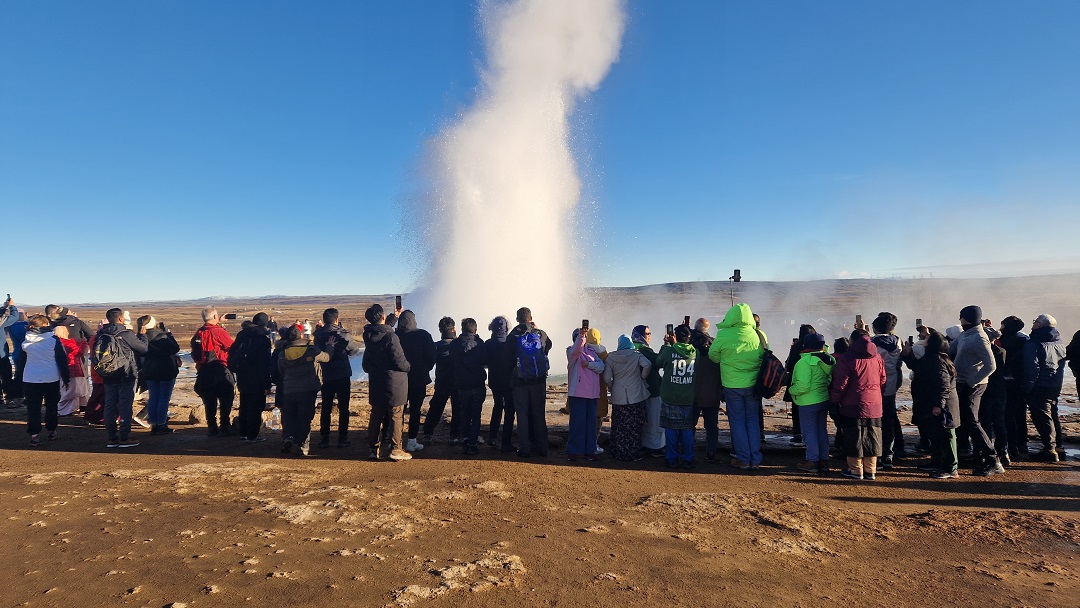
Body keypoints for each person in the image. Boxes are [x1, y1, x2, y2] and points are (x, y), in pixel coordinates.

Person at [708, 303, 765, 470]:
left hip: (732, 385)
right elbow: (763, 355)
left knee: (737, 421)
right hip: (754, 385)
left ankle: (743, 458)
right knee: (752, 421)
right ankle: (755, 458)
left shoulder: (724, 334)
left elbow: (713, 356)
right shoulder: (758, 334)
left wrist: (726, 360)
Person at [949, 305, 1001, 476]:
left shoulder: (979, 337)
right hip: (964, 383)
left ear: (967, 318)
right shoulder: (966, 334)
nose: (959, 319)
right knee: (968, 421)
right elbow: (950, 348)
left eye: (961, 316)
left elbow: (991, 365)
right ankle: (980, 456)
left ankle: (994, 461)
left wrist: (972, 382)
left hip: (973, 385)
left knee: (972, 421)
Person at [830, 329, 886, 480]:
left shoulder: (847, 358)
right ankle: (871, 470)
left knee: (853, 437)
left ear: (852, 341)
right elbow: (883, 380)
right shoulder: (877, 357)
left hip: (852, 404)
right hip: (874, 404)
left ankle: (856, 470)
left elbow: (840, 384)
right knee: (872, 436)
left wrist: (834, 401)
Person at [907, 329, 961, 478]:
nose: (924, 339)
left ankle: (951, 468)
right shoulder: (932, 358)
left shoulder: (938, 361)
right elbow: (919, 368)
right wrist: (907, 356)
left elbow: (943, 385)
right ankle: (937, 462)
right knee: (936, 436)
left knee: (947, 436)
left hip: (943, 407)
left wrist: (939, 404)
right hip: (933, 403)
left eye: (927, 338)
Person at [362, 304, 412, 461]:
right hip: (393, 382)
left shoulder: (368, 335)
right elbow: (399, 361)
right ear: (382, 317)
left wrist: (395, 316)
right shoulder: (392, 337)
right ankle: (396, 449)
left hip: (376, 380)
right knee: (396, 415)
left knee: (376, 414)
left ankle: (373, 449)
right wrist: (408, 367)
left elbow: (381, 329)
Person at [277, 325, 334, 456]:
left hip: (289, 389)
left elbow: (281, 371)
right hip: (307, 389)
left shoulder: (282, 353)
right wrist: (330, 346)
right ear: (301, 336)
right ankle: (303, 445)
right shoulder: (311, 351)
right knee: (305, 417)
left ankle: (287, 438)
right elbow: (327, 358)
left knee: (288, 416)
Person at [96, 308, 149, 448]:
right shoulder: (126, 334)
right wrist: (142, 336)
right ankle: (124, 437)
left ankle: (112, 438)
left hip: (108, 375)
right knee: (125, 405)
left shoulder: (101, 334)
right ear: (120, 319)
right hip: (126, 374)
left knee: (109, 406)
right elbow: (143, 349)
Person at [504, 307, 552, 458]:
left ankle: (525, 448)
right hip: (538, 381)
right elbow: (548, 346)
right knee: (538, 413)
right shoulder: (540, 334)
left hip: (520, 382)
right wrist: (536, 330)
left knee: (522, 415)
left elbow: (508, 359)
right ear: (531, 318)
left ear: (517, 319)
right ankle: (542, 447)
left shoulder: (513, 336)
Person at [313, 308, 361, 449]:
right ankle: (342, 438)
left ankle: (324, 438)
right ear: (336, 319)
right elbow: (354, 350)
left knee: (326, 407)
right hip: (342, 374)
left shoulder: (318, 335)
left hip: (326, 375)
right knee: (343, 407)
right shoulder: (343, 334)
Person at [1022, 314, 1067, 462]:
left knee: (1042, 417)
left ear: (1040, 325)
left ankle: (1049, 450)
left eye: (1035, 322)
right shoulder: (1059, 342)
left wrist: (1027, 387)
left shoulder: (1033, 343)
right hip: (1055, 384)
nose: (1033, 324)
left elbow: (1031, 368)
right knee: (1053, 414)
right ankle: (1059, 447)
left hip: (1039, 385)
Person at [788, 332, 835, 474]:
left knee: (809, 432)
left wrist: (791, 390)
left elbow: (802, 386)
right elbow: (828, 380)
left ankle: (812, 461)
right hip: (822, 398)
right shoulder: (828, 360)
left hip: (808, 401)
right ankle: (823, 460)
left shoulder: (805, 362)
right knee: (821, 430)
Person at [21, 315, 70, 446]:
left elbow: (21, 361)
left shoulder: (26, 340)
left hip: (30, 378)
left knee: (33, 408)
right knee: (52, 406)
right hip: (51, 377)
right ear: (45, 325)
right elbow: (62, 360)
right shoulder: (53, 340)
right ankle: (51, 430)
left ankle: (34, 434)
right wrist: (66, 378)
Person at [602, 334, 652, 462]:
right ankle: (634, 453)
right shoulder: (636, 355)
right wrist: (642, 377)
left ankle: (618, 452)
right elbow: (647, 365)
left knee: (620, 426)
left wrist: (612, 386)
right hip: (636, 394)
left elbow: (607, 377)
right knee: (634, 426)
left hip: (619, 396)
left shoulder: (611, 358)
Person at [656, 324, 697, 469]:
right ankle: (688, 458)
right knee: (686, 429)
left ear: (675, 336)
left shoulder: (669, 351)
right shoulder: (695, 352)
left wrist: (666, 344)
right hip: (688, 396)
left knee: (671, 428)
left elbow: (658, 362)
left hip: (670, 396)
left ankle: (671, 458)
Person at [191, 306, 236, 436]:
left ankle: (212, 427)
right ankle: (224, 425)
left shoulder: (199, 332)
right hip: (220, 369)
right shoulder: (218, 331)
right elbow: (231, 346)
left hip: (204, 371)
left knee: (209, 400)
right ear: (215, 317)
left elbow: (195, 354)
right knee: (226, 398)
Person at [229, 313, 273, 443]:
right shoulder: (262, 340)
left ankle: (243, 433)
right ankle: (252, 435)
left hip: (242, 375)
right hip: (256, 378)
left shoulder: (242, 335)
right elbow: (263, 364)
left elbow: (232, 352)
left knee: (244, 404)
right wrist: (267, 384)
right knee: (256, 406)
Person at [397, 310, 436, 452]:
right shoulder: (424, 335)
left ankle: (396, 441)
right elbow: (432, 356)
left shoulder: (395, 336)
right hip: (418, 379)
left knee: (397, 411)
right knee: (415, 410)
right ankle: (412, 441)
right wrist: (425, 368)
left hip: (399, 380)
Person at [870, 312, 906, 468]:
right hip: (892, 382)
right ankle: (888, 454)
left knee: (875, 420)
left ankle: (877, 453)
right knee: (889, 418)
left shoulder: (872, 344)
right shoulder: (898, 341)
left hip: (875, 384)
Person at [449, 318, 488, 456]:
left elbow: (452, 357)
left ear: (461, 329)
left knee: (465, 413)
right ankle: (472, 443)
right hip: (478, 384)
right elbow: (485, 362)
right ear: (475, 330)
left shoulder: (455, 344)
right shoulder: (480, 344)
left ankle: (465, 440)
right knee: (476, 415)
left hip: (462, 386)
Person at [566, 326, 604, 462]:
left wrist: (588, 365)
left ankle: (589, 450)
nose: (581, 338)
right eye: (578, 336)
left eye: (582, 336)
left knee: (590, 424)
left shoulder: (592, 353)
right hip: (578, 394)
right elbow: (577, 349)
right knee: (577, 424)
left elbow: (601, 367)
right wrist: (581, 336)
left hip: (592, 394)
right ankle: (573, 451)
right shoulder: (571, 352)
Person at [140, 316, 181, 435]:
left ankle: (153, 424)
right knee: (164, 398)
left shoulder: (142, 337)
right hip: (166, 370)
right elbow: (175, 348)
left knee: (153, 397)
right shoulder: (162, 336)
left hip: (149, 371)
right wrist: (169, 334)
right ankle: (161, 424)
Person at [422, 317, 459, 446]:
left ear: (440, 330)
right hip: (458, 381)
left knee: (436, 407)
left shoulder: (436, 346)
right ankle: (454, 436)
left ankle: (427, 433)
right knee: (458, 408)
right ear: (454, 329)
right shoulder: (459, 344)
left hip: (442, 381)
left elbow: (430, 364)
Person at [689, 318, 722, 461]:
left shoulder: (690, 348)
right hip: (712, 394)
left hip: (693, 395)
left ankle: (689, 451)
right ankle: (711, 453)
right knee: (712, 426)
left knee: (690, 425)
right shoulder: (715, 348)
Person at [998, 316, 1030, 459]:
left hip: (1005, 381)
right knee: (1020, 414)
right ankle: (1022, 445)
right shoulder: (1025, 340)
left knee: (1007, 416)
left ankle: (1010, 446)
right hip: (1020, 381)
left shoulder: (1002, 340)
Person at [631, 325, 665, 458]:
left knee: (643, 420)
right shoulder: (644, 350)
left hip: (637, 390)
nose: (649, 336)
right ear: (640, 335)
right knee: (654, 420)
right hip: (652, 389)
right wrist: (666, 346)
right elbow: (659, 362)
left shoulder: (631, 347)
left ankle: (644, 444)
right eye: (647, 333)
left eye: (650, 333)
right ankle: (655, 447)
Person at [781, 324, 817, 448]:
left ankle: (798, 436)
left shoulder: (796, 347)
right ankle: (811, 438)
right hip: (815, 385)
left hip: (796, 383)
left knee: (796, 411)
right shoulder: (817, 346)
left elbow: (789, 365)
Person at [484, 316, 515, 452]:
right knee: (509, 410)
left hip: (494, 381)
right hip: (509, 381)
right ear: (506, 328)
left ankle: (492, 437)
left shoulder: (488, 344)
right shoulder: (510, 343)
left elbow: (484, 362)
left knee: (497, 406)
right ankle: (506, 442)